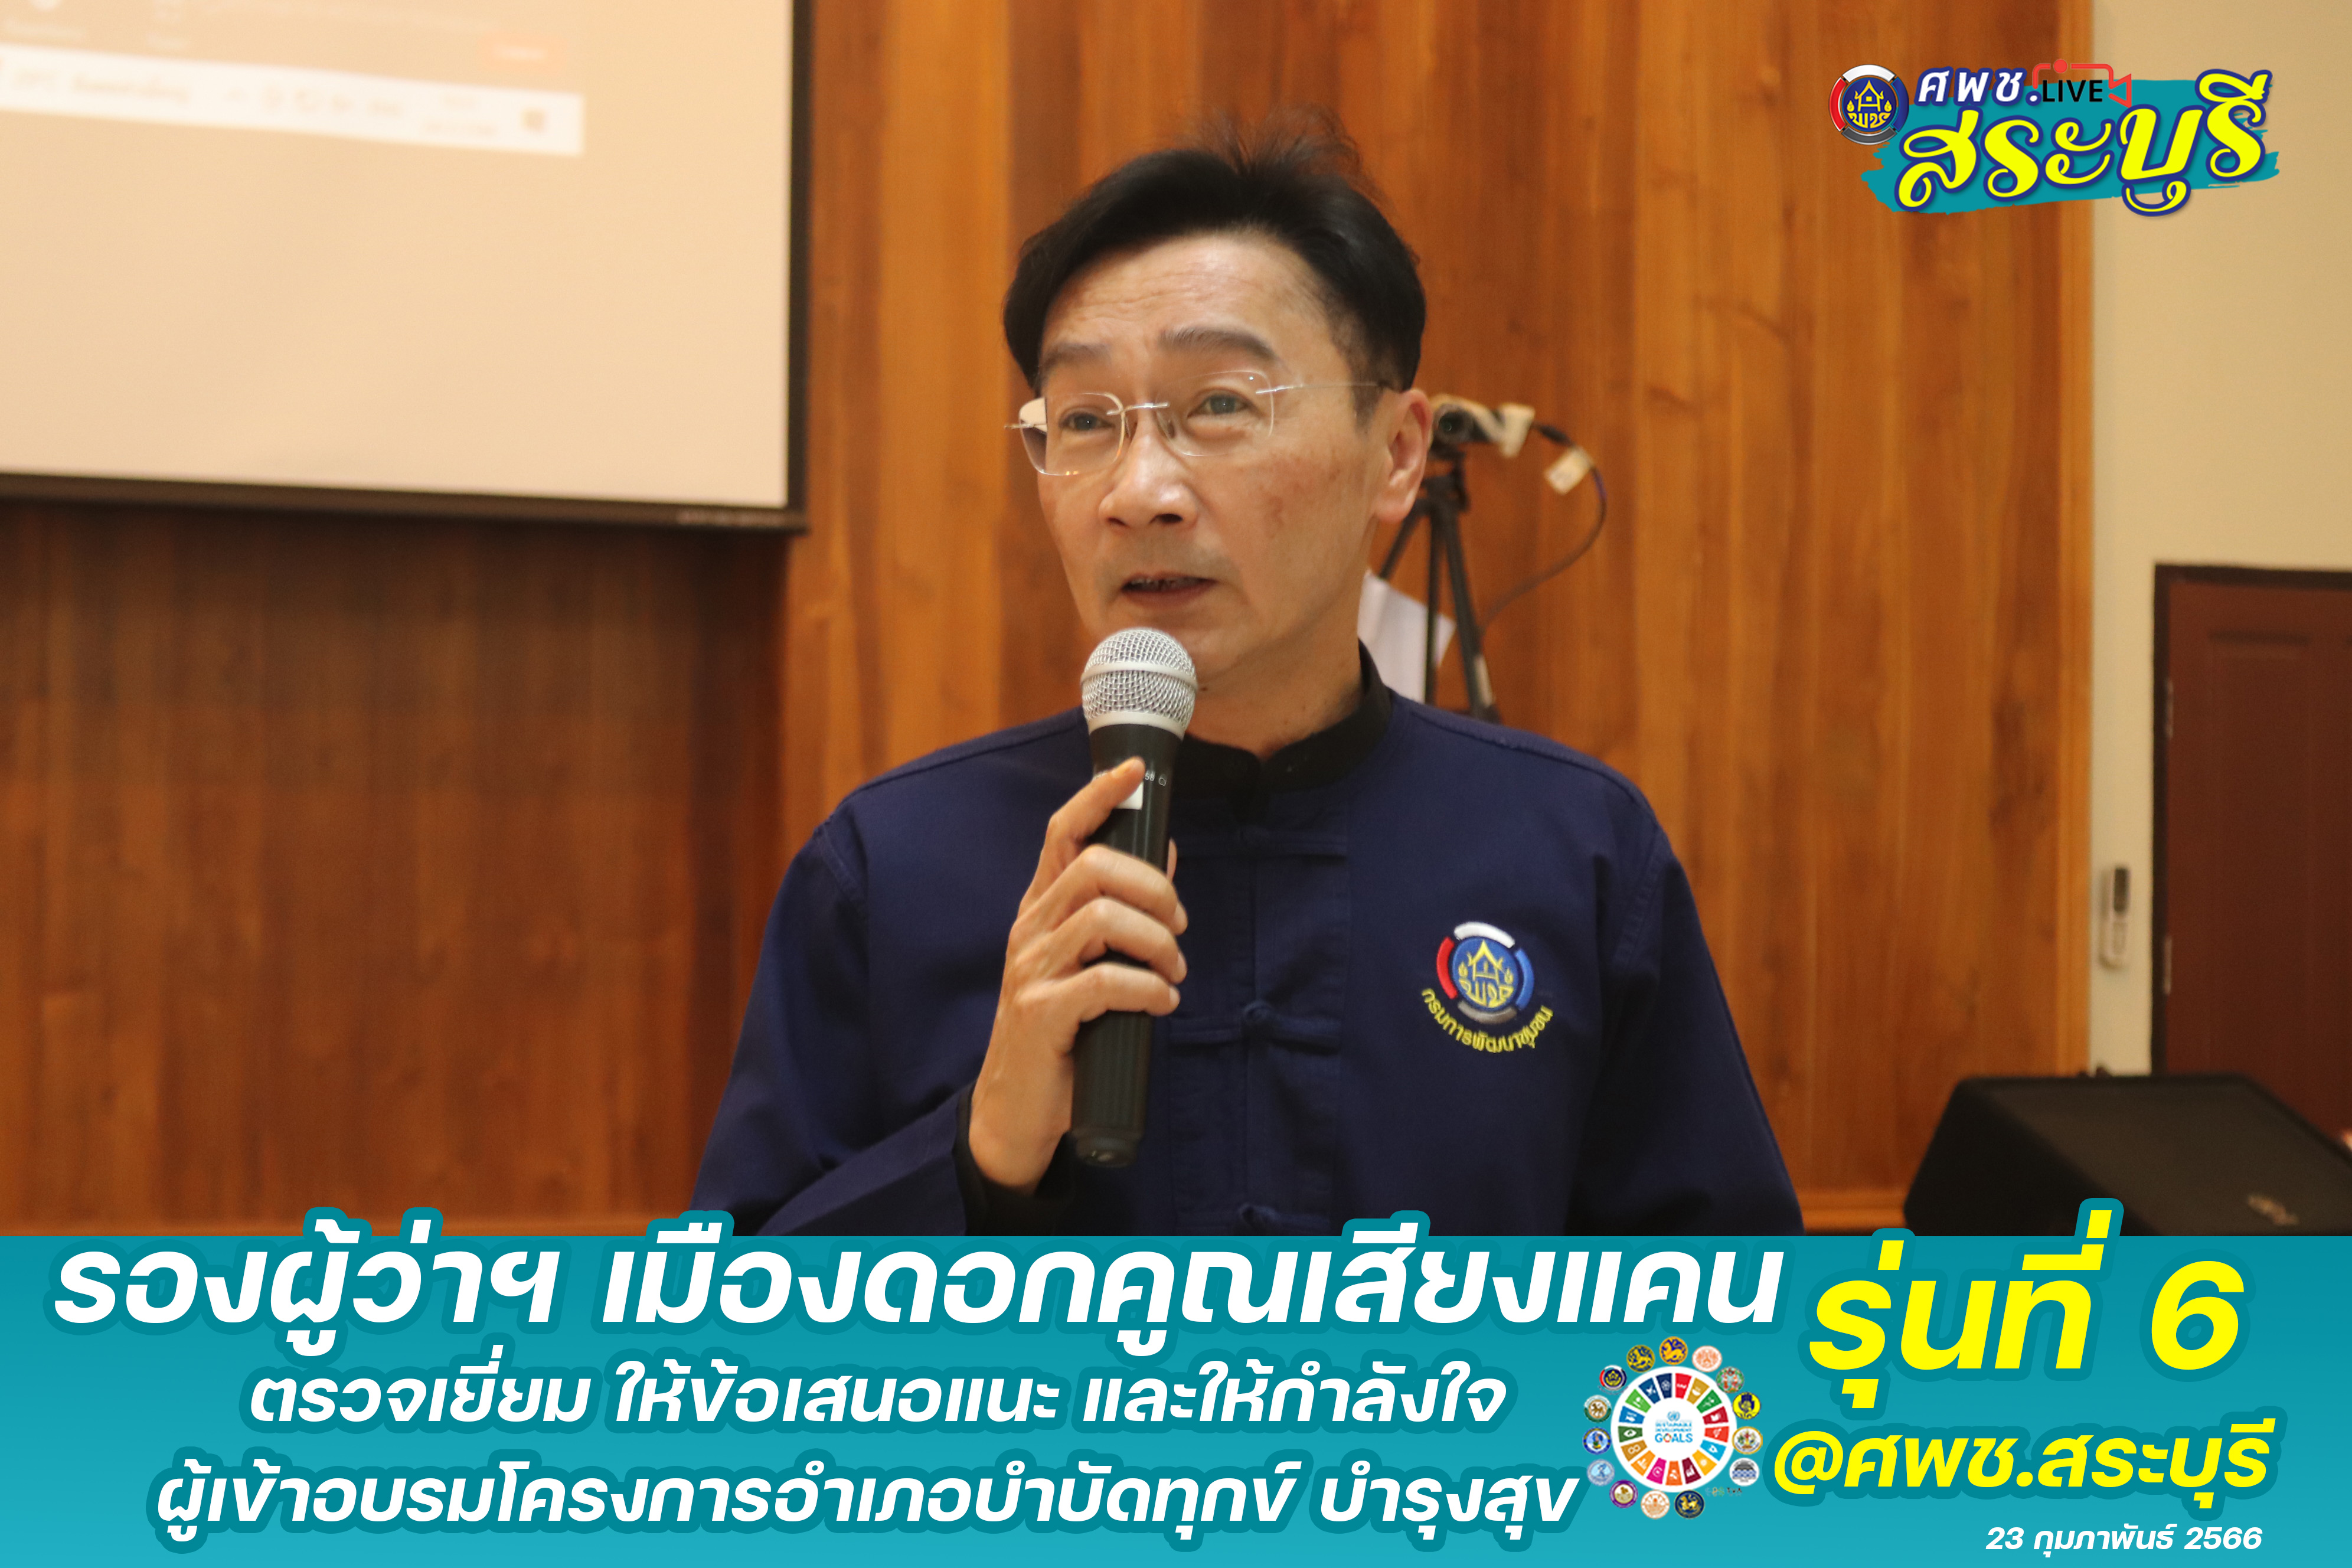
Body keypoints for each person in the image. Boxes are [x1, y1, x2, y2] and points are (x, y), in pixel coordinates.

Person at [694, 115, 1801, 1237]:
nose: (1139, 493)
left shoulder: (1573, 852)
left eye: (1221, 405)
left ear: (1397, 454)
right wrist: (982, 1153)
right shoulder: (892, 868)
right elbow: (730, 1325)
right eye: (1084, 421)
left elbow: (1729, 1308)